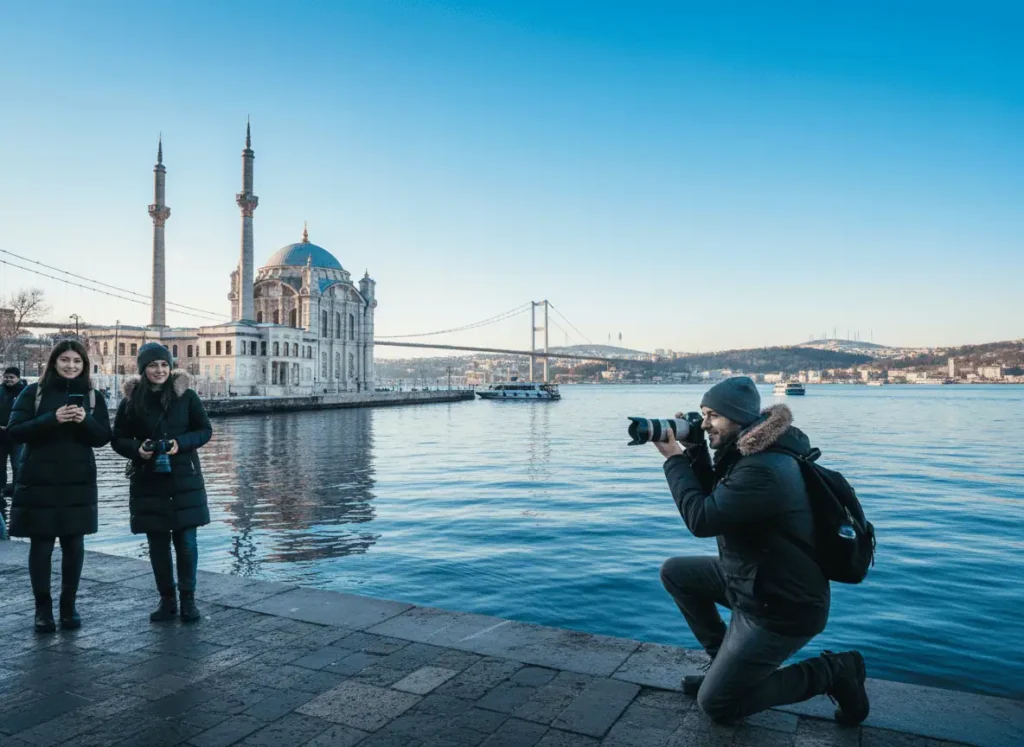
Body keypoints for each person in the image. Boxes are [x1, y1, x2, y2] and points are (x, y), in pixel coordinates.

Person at [655, 376, 869, 725]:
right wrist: (695, 450)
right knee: (676, 573)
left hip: (782, 607)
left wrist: (673, 460)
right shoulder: (750, 452)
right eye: (702, 415)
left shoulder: (765, 470)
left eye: (712, 416)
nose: (705, 423)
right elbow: (718, 495)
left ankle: (835, 671)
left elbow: (702, 519)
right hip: (754, 581)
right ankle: (721, 664)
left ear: (737, 417)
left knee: (717, 706)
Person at [6, 341, 111, 632]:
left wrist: (85, 420)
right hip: (39, 480)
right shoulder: (33, 393)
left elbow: (103, 437)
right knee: (41, 545)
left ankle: (68, 606)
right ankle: (42, 609)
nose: (71, 366)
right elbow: (15, 432)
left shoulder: (92, 395)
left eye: (77, 361)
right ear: (53, 362)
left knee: (74, 545)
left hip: (77, 482)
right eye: (65, 360)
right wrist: (51, 419)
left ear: (84, 364)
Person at [112, 342, 212, 623]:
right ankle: (167, 600)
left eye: (164, 365)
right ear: (143, 370)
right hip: (148, 480)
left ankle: (188, 600)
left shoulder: (187, 396)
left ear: (171, 367)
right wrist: (138, 449)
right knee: (157, 543)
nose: (159, 370)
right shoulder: (130, 401)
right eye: (153, 365)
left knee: (187, 542)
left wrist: (179, 444)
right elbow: (117, 437)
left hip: (184, 479)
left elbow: (205, 430)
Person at [1, 366, 28, 506]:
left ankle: (18, 489)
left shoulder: (24, 392)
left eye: (11, 377)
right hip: (0, 436)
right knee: (0, 465)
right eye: (6, 377)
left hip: (17, 435)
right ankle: (1, 490)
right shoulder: (0, 391)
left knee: (17, 464)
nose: (8, 379)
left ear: (18, 378)